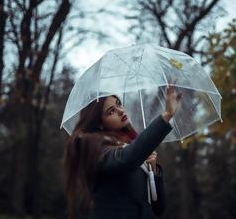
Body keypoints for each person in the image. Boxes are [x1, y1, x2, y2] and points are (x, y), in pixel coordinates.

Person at [62, 85, 182, 219]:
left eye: (119, 104)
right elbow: (125, 160)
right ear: (99, 123)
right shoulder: (92, 145)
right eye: (111, 111)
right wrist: (166, 115)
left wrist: (153, 170)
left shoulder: (131, 145)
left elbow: (159, 208)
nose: (120, 111)